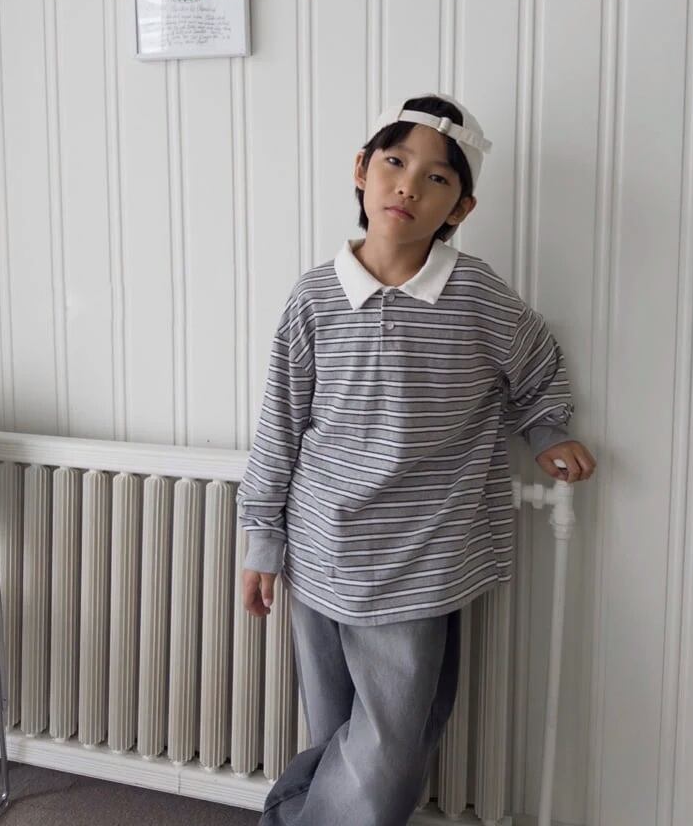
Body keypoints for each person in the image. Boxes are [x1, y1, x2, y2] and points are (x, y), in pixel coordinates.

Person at [236, 91, 597, 825]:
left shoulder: (476, 294)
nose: (408, 186)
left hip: (421, 555)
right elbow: (280, 425)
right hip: (320, 544)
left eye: (436, 177)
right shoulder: (314, 298)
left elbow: (536, 365)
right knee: (338, 731)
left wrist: (547, 430)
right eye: (395, 163)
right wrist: (262, 539)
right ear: (362, 170)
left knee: (392, 743)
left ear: (460, 207)